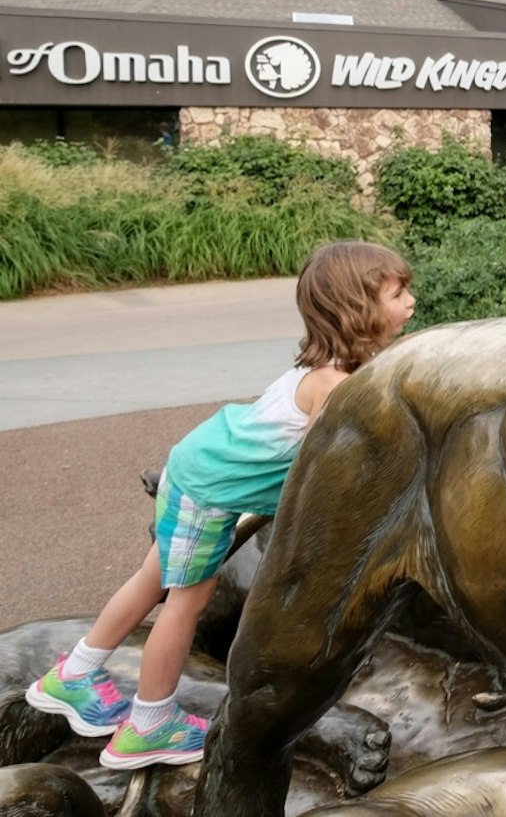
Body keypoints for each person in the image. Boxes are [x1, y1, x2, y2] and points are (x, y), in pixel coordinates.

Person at [23, 240, 415, 770]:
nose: (411, 300)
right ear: (360, 307)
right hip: (206, 495)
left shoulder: (328, 368)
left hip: (195, 470)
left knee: (151, 581)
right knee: (185, 603)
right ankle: (149, 724)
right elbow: (335, 468)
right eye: (399, 293)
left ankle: (76, 672)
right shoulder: (333, 387)